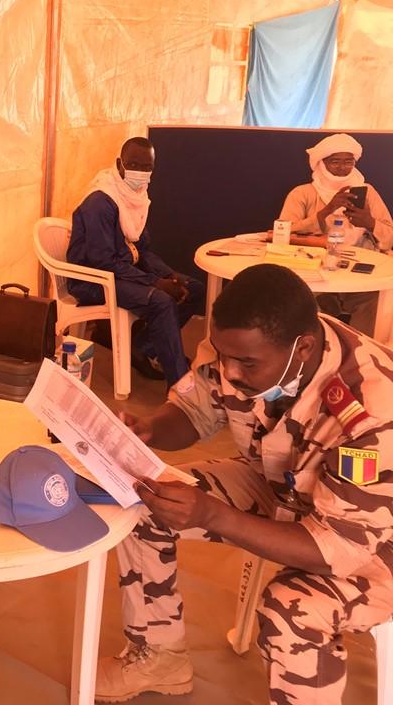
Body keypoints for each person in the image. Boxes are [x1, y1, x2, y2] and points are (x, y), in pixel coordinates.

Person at [95, 264, 393, 705]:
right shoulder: (246, 345)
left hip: (375, 541)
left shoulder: (371, 412)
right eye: (223, 356)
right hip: (287, 487)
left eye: (246, 364)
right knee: (145, 501)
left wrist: (212, 514)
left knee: (291, 610)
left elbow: (338, 548)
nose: (230, 372)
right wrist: (150, 429)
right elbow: (195, 411)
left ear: (303, 349)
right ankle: (160, 658)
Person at [66, 137, 204, 387]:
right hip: (92, 280)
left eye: (146, 167)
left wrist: (168, 275)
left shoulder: (135, 195)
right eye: (133, 165)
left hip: (119, 272)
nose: (140, 172)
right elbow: (103, 262)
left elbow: (141, 250)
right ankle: (180, 385)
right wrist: (155, 283)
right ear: (119, 164)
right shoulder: (101, 202)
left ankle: (144, 348)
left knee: (192, 289)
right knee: (162, 301)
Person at [277, 132, 393, 335]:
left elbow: (390, 235)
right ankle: (317, 348)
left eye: (348, 162)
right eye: (335, 161)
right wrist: (325, 212)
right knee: (303, 301)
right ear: (321, 163)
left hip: (360, 270)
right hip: (314, 269)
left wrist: (370, 223)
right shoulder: (302, 193)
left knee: (375, 300)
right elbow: (283, 233)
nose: (342, 168)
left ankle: (362, 350)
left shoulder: (367, 192)